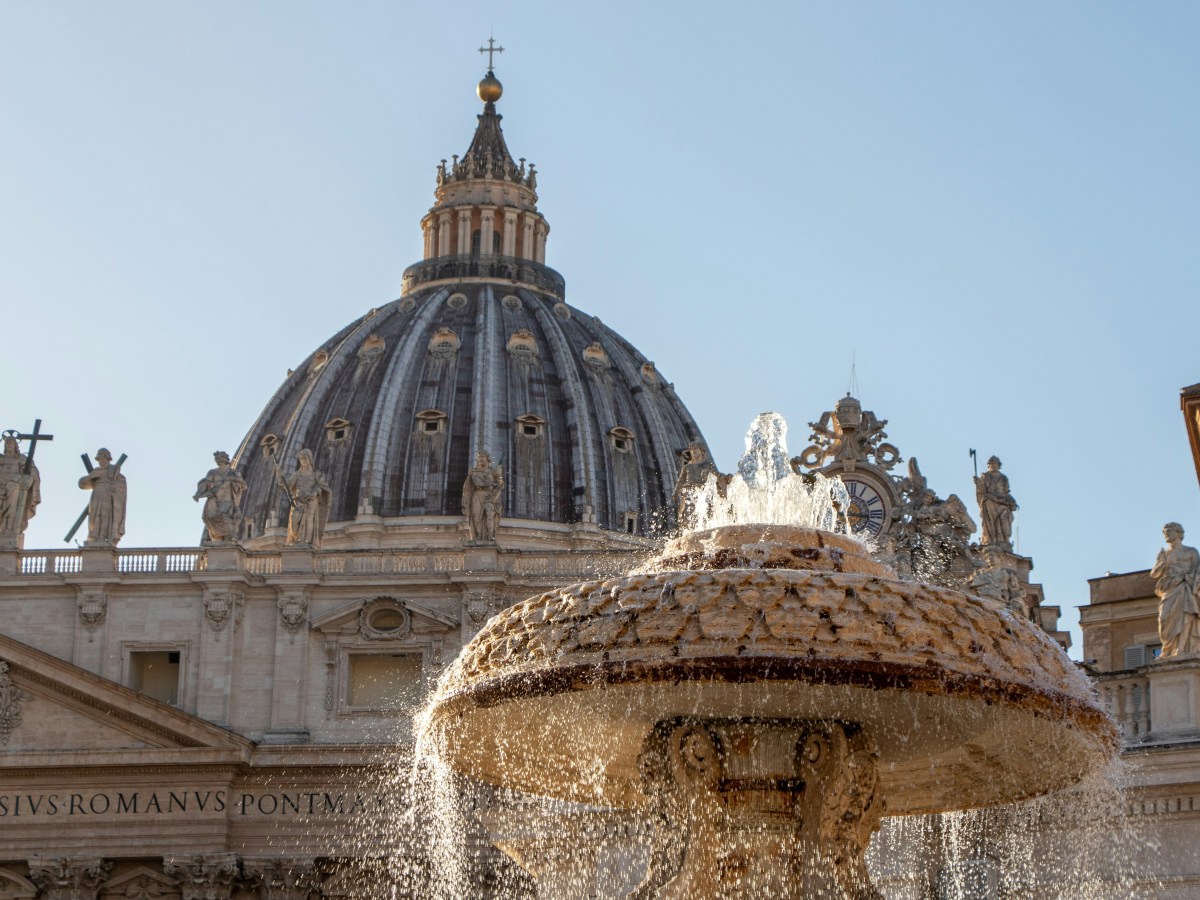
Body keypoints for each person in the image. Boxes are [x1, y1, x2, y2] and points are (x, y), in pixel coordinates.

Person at [1152, 522, 1200, 658]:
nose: (1166, 534)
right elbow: (1154, 574)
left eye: (1169, 531)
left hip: (1185, 587)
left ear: (1178, 533)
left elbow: (1198, 573)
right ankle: (1167, 648)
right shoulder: (1165, 554)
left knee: (1186, 616)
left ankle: (1182, 649)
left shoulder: (1191, 552)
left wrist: (1185, 578)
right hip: (1169, 589)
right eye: (1164, 532)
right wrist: (1162, 564)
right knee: (1164, 619)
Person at [193, 451, 247, 543]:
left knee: (224, 517)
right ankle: (220, 537)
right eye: (216, 459)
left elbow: (244, 485)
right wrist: (198, 493)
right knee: (208, 517)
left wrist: (234, 480)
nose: (217, 460)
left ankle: (231, 535)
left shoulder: (233, 472)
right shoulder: (212, 472)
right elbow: (205, 483)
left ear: (224, 459)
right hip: (215, 499)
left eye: (219, 458)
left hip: (228, 500)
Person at [283, 449, 331, 548]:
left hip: (312, 499)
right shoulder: (297, 474)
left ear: (310, 459)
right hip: (298, 500)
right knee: (294, 519)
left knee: (309, 519)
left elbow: (323, 487)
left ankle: (307, 542)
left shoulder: (316, 474)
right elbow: (288, 486)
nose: (303, 461)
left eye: (305, 459)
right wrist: (281, 479)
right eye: (301, 459)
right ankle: (296, 539)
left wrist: (315, 492)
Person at [79, 448, 127, 546]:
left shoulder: (114, 471)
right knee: (94, 516)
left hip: (108, 496)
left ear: (107, 459)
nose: (101, 462)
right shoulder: (96, 471)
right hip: (96, 496)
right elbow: (82, 484)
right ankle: (94, 536)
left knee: (105, 516)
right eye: (99, 460)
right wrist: (91, 476)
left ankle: (102, 537)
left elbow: (121, 483)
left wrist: (113, 487)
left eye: (102, 459)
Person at [0, 434, 40, 540]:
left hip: (14, 486)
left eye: (11, 442)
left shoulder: (21, 458)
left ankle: (8, 531)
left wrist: (30, 479)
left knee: (11, 508)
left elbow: (33, 472)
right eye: (6, 443)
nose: (8, 445)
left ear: (15, 446)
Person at [974, 456, 1017, 548]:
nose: (993, 465)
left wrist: (1012, 501)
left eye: (995, 463)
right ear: (988, 465)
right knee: (989, 520)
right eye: (991, 464)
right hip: (989, 501)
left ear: (998, 465)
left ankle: (1004, 540)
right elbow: (981, 491)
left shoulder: (1003, 478)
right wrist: (978, 483)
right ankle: (991, 539)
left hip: (1002, 502)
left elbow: (1006, 492)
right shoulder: (985, 476)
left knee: (1004, 516)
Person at [462, 451, 503, 542]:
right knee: (476, 518)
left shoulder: (493, 471)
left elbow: (500, 485)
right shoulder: (474, 472)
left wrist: (499, 477)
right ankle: (478, 537)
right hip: (477, 496)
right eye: (479, 457)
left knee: (490, 515)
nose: (480, 459)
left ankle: (489, 536)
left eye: (482, 457)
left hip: (490, 497)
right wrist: (492, 484)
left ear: (487, 458)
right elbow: (478, 484)